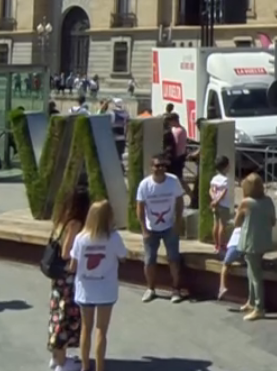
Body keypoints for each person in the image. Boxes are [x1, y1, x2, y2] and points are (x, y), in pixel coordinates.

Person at [69, 200, 127, 371]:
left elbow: (73, 265)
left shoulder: (81, 238)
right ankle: (100, 367)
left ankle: (85, 367)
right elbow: (123, 257)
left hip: (86, 289)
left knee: (86, 329)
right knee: (101, 330)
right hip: (106, 289)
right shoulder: (114, 237)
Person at [49, 188, 90, 371]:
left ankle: (57, 356)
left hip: (58, 278)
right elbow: (66, 252)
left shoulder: (62, 219)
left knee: (57, 313)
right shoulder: (75, 223)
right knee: (65, 317)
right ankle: (61, 362)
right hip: (67, 277)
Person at [135, 152, 185, 303]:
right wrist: (144, 228)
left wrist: (177, 222)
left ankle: (175, 289)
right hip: (151, 228)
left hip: (170, 226)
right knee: (149, 260)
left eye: (164, 165)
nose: (161, 168)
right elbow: (139, 207)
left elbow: (179, 201)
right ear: (151, 167)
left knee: (174, 259)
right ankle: (150, 288)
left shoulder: (173, 181)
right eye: (157, 165)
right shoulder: (145, 185)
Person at [234, 172, 277, 321]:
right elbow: (273, 221)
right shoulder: (268, 201)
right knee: (251, 271)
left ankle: (259, 307)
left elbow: (237, 222)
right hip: (263, 240)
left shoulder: (246, 203)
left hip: (250, 241)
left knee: (255, 274)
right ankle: (251, 301)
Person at [209, 155, 233, 254]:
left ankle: (216, 245)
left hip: (215, 205)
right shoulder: (225, 180)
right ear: (225, 167)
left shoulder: (214, 178)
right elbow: (224, 192)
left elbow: (210, 189)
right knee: (222, 225)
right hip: (223, 205)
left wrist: (213, 200)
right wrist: (217, 200)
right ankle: (222, 245)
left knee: (215, 224)